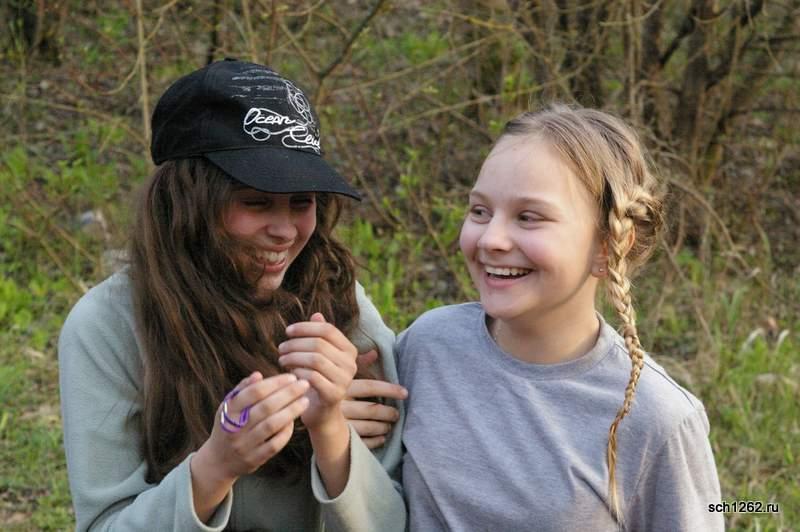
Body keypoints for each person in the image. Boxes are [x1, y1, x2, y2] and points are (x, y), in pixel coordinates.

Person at [58, 59, 406, 531]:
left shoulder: (340, 303)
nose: (285, 231)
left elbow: (394, 523)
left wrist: (328, 430)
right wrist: (215, 466)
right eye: (255, 201)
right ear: (187, 204)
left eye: (302, 202)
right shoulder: (106, 325)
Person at [397, 104, 723, 531]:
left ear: (608, 246)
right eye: (479, 211)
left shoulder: (657, 419)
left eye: (528, 217)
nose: (491, 239)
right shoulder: (427, 346)